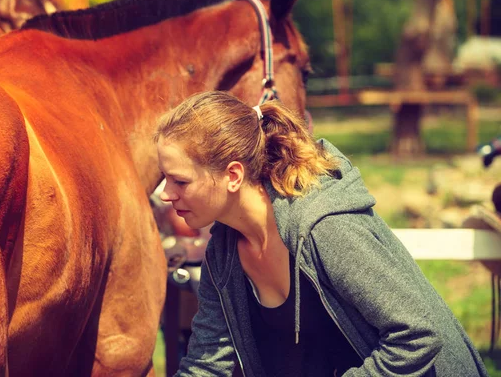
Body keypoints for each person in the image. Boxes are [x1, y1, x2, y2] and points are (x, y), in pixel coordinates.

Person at [154, 91, 488, 376]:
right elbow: (206, 363)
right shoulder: (223, 253)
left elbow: (417, 336)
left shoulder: (324, 229)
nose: (165, 193)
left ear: (233, 175)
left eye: (180, 180)